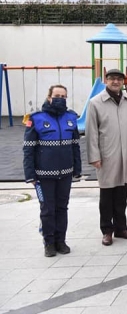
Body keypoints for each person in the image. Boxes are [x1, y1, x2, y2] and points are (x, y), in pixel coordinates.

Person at [23, 85, 82, 257]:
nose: (60, 99)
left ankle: (60, 240)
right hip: (43, 175)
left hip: (65, 173)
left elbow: (75, 146)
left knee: (62, 208)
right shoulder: (36, 119)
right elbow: (28, 149)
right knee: (47, 209)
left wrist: (77, 169)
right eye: (57, 95)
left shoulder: (71, 118)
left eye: (63, 96)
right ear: (49, 97)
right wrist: (30, 175)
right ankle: (48, 242)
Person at [86, 69, 127, 246]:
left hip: (125, 155)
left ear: (123, 82)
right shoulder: (95, 103)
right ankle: (107, 230)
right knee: (107, 195)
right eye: (112, 79)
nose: (115, 82)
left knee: (122, 194)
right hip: (106, 155)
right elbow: (91, 132)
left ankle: (121, 228)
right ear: (106, 80)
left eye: (119, 79)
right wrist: (94, 156)